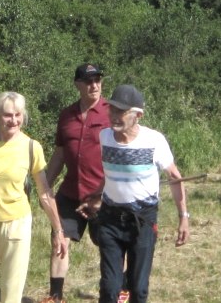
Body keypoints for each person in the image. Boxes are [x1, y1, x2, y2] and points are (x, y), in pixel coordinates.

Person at [81, 85, 189, 303]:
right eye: (112, 109)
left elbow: (174, 177)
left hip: (142, 220)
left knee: (138, 289)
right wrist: (95, 195)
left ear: (138, 115)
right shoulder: (105, 137)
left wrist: (183, 217)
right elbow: (111, 173)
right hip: (110, 218)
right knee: (110, 289)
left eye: (121, 111)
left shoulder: (154, 140)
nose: (114, 116)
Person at [0, 92, 67, 303]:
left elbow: (44, 192)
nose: (13, 120)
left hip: (16, 224)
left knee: (12, 291)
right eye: (8, 115)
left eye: (18, 115)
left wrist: (58, 231)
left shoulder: (31, 147)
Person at [40, 64, 112, 303]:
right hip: (71, 192)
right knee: (59, 241)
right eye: (88, 81)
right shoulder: (66, 115)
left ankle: (117, 293)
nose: (94, 85)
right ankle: (55, 297)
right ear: (77, 84)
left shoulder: (111, 113)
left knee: (110, 245)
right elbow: (60, 154)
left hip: (104, 194)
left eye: (97, 80)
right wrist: (45, 185)